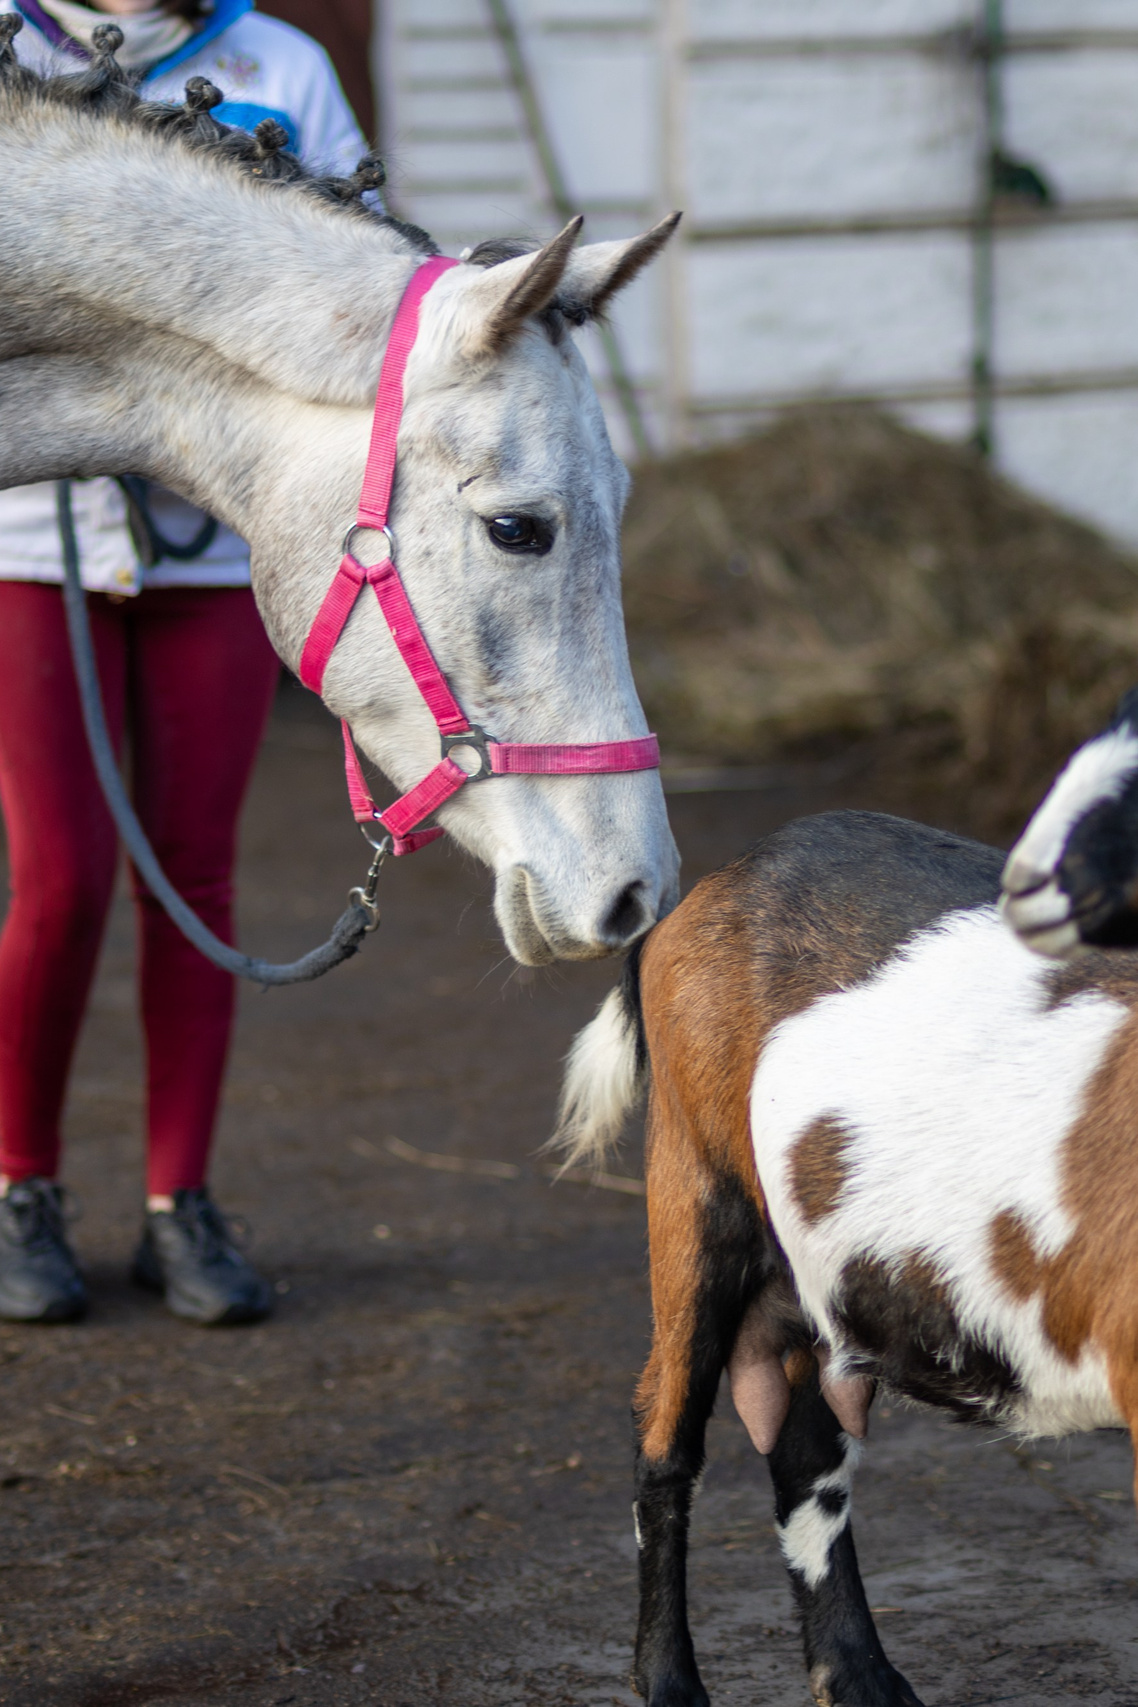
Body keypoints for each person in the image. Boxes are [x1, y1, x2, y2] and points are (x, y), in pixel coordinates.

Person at [0, 0, 367, 1325]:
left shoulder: (282, 68)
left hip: (213, 537)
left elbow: (349, 292)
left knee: (196, 877)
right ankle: (20, 1188)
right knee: (61, 879)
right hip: (32, 536)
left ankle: (180, 1205)